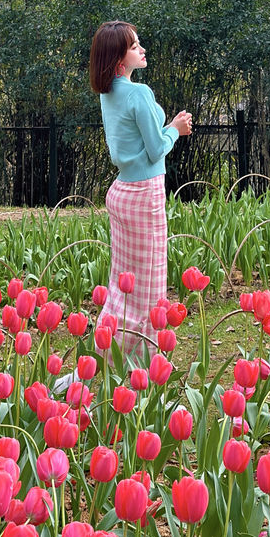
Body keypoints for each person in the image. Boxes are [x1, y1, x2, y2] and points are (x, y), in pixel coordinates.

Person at [89, 20, 192, 358]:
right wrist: (175, 129)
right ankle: (142, 363)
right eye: (134, 47)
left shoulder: (109, 93)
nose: (142, 50)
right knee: (148, 288)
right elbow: (155, 150)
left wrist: (165, 130)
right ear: (120, 58)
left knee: (123, 286)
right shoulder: (138, 93)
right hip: (145, 195)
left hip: (121, 193)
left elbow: (137, 144)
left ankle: (108, 354)